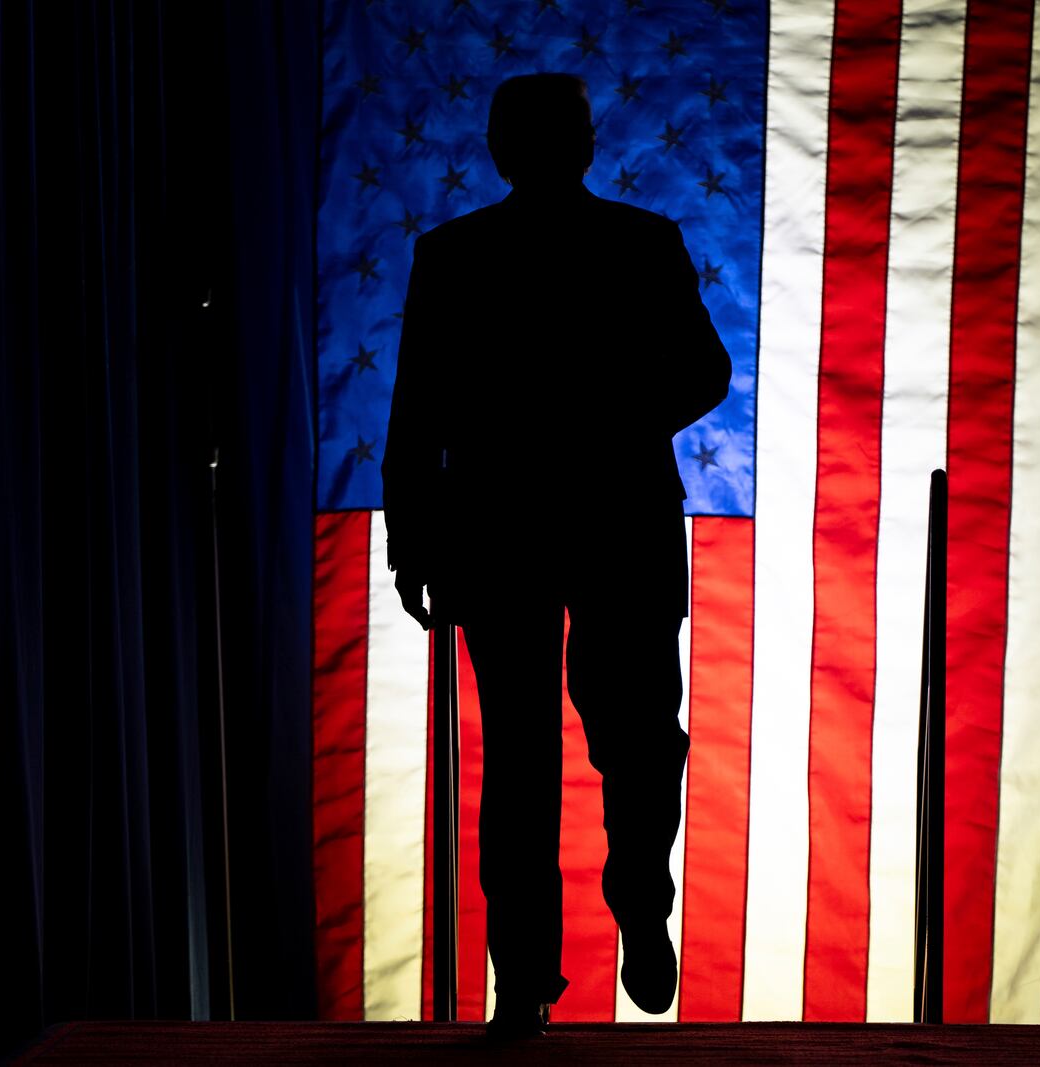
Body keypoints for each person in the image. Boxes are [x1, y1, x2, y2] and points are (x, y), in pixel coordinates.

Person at [379, 72, 731, 1039]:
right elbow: (417, 412)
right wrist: (414, 534)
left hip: (535, 525)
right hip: (550, 527)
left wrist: (413, 535)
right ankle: (545, 961)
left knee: (587, 750)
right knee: (586, 749)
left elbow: (705, 369)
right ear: (581, 146)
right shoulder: (624, 244)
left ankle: (596, 927)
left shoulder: (474, 254)